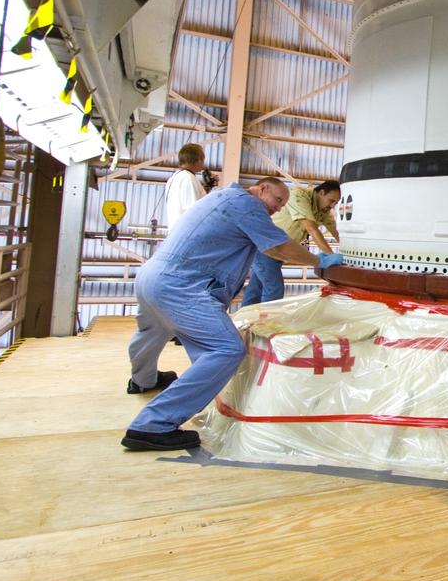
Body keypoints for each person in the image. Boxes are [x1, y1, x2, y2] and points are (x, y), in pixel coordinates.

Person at [122, 177, 345, 451]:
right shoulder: (246, 204)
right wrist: (320, 259)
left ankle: (143, 380)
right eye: (277, 201)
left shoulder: (220, 198)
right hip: (181, 286)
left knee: (151, 332)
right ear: (261, 189)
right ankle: (152, 425)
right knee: (227, 349)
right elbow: (277, 247)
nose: (277, 209)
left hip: (152, 276)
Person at [241, 179, 341, 306]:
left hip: (279, 253)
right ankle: (265, 323)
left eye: (336, 203)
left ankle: (245, 320)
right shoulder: (299, 196)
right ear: (321, 193)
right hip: (268, 248)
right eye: (331, 201)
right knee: (274, 289)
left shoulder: (323, 210)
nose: (332, 206)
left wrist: (346, 251)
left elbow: (335, 231)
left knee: (256, 288)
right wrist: (330, 258)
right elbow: (311, 228)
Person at [164, 143, 208, 231]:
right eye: (203, 160)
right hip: (188, 233)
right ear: (199, 159)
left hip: (177, 232)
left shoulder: (174, 178)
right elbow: (194, 211)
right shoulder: (188, 179)